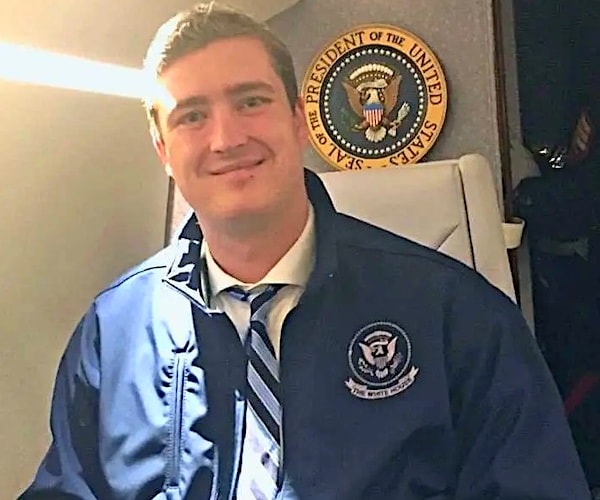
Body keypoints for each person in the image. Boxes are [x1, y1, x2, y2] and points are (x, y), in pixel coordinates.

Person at [20, 2, 590, 498]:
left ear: (297, 122)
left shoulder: (458, 316)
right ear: (163, 149)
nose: (226, 139)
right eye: (192, 116)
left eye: (250, 102)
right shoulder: (111, 331)